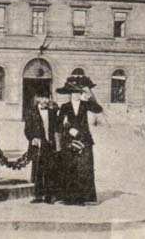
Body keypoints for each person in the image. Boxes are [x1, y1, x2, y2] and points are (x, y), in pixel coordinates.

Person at [56, 75, 102, 205]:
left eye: (78, 92)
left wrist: (89, 95)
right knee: (70, 168)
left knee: (84, 168)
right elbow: (58, 125)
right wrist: (68, 129)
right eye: (73, 92)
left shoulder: (85, 105)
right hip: (69, 141)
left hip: (84, 139)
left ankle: (84, 198)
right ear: (69, 93)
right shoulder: (64, 107)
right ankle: (70, 198)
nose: (76, 94)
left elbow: (98, 109)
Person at [23, 91, 60, 203]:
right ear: (37, 98)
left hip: (50, 144)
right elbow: (27, 129)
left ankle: (49, 196)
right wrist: (33, 138)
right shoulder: (31, 112)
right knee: (38, 169)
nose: (45, 100)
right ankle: (38, 195)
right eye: (42, 97)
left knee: (50, 169)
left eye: (47, 97)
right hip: (38, 144)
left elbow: (56, 127)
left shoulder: (52, 112)